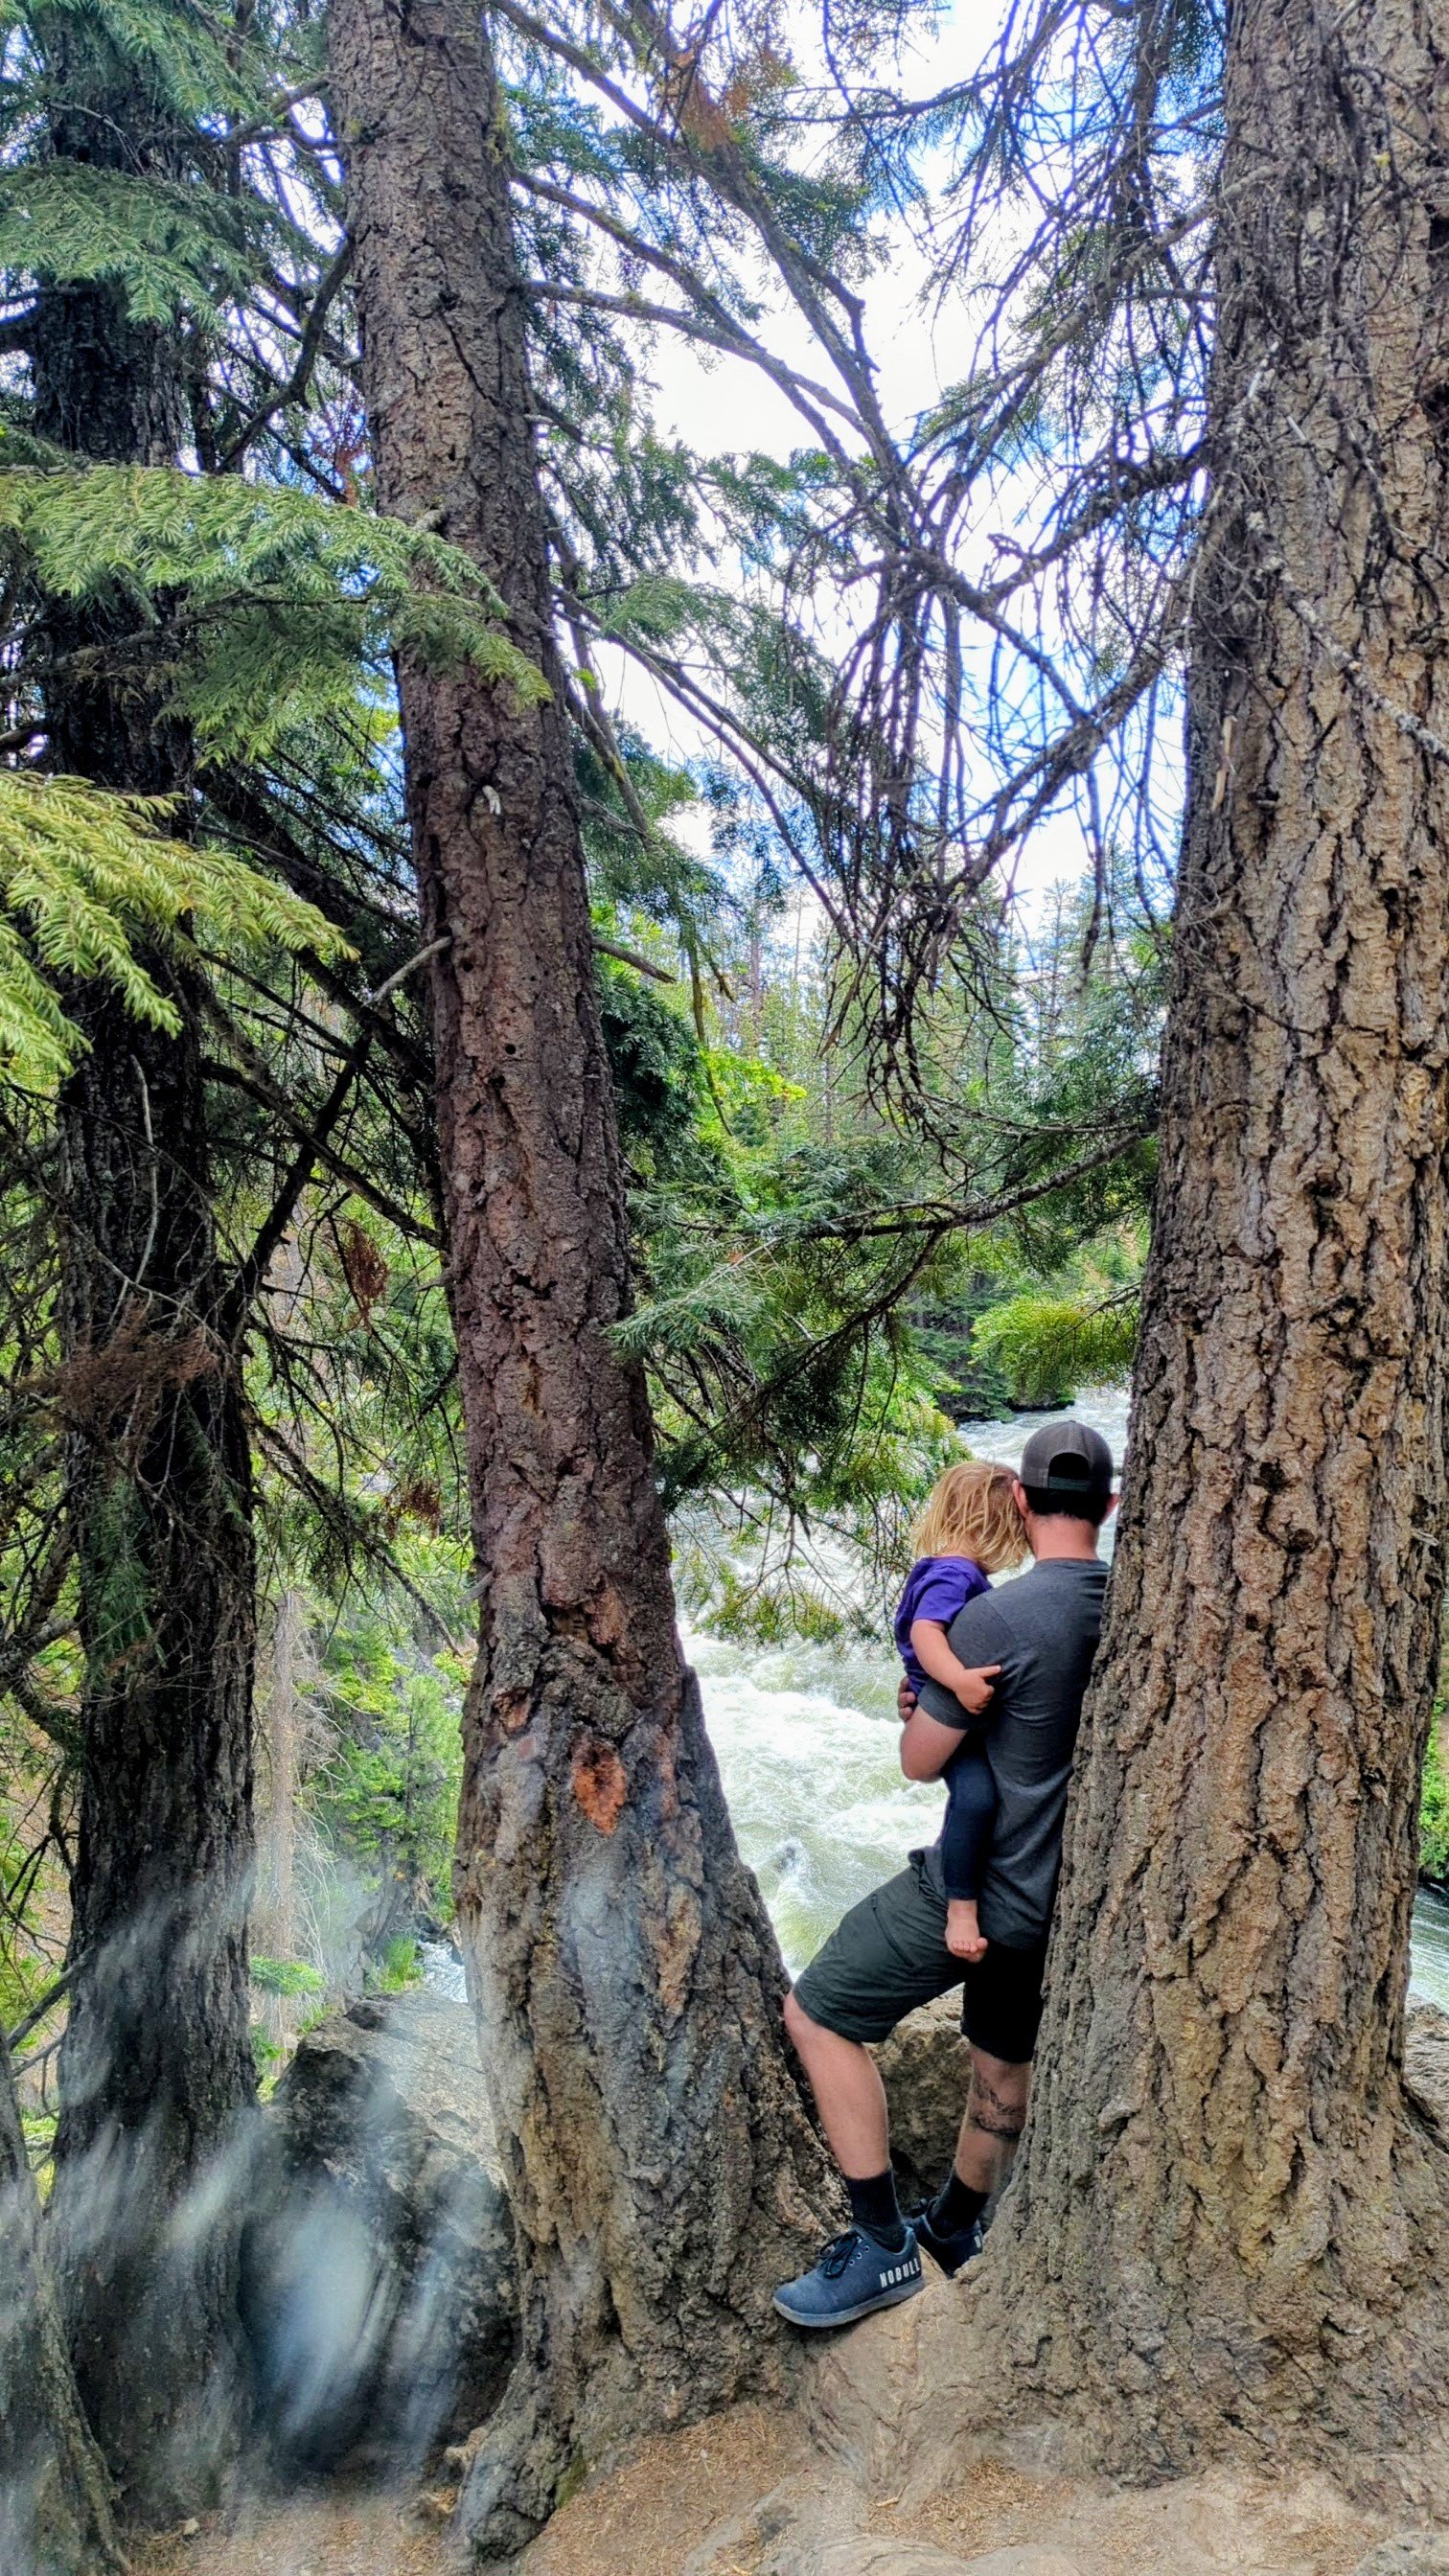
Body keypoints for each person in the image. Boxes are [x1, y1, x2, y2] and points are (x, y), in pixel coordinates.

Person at [773, 1420, 1116, 2331]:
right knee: (1003, 2067)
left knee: (817, 2012)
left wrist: (921, 1708)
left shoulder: (993, 1614)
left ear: (1020, 1500)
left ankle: (885, 2245)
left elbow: (921, 1761)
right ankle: (957, 2226)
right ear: (1111, 1507)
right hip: (1066, 1911)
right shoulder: (1134, 1608)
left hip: (980, 1888)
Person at [893, 1460, 1028, 1965]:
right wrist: (958, 1681)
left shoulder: (948, 1568)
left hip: (947, 1706)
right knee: (974, 1800)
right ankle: (961, 1906)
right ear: (991, 1525)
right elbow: (927, 1631)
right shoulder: (955, 1572)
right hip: (950, 1712)